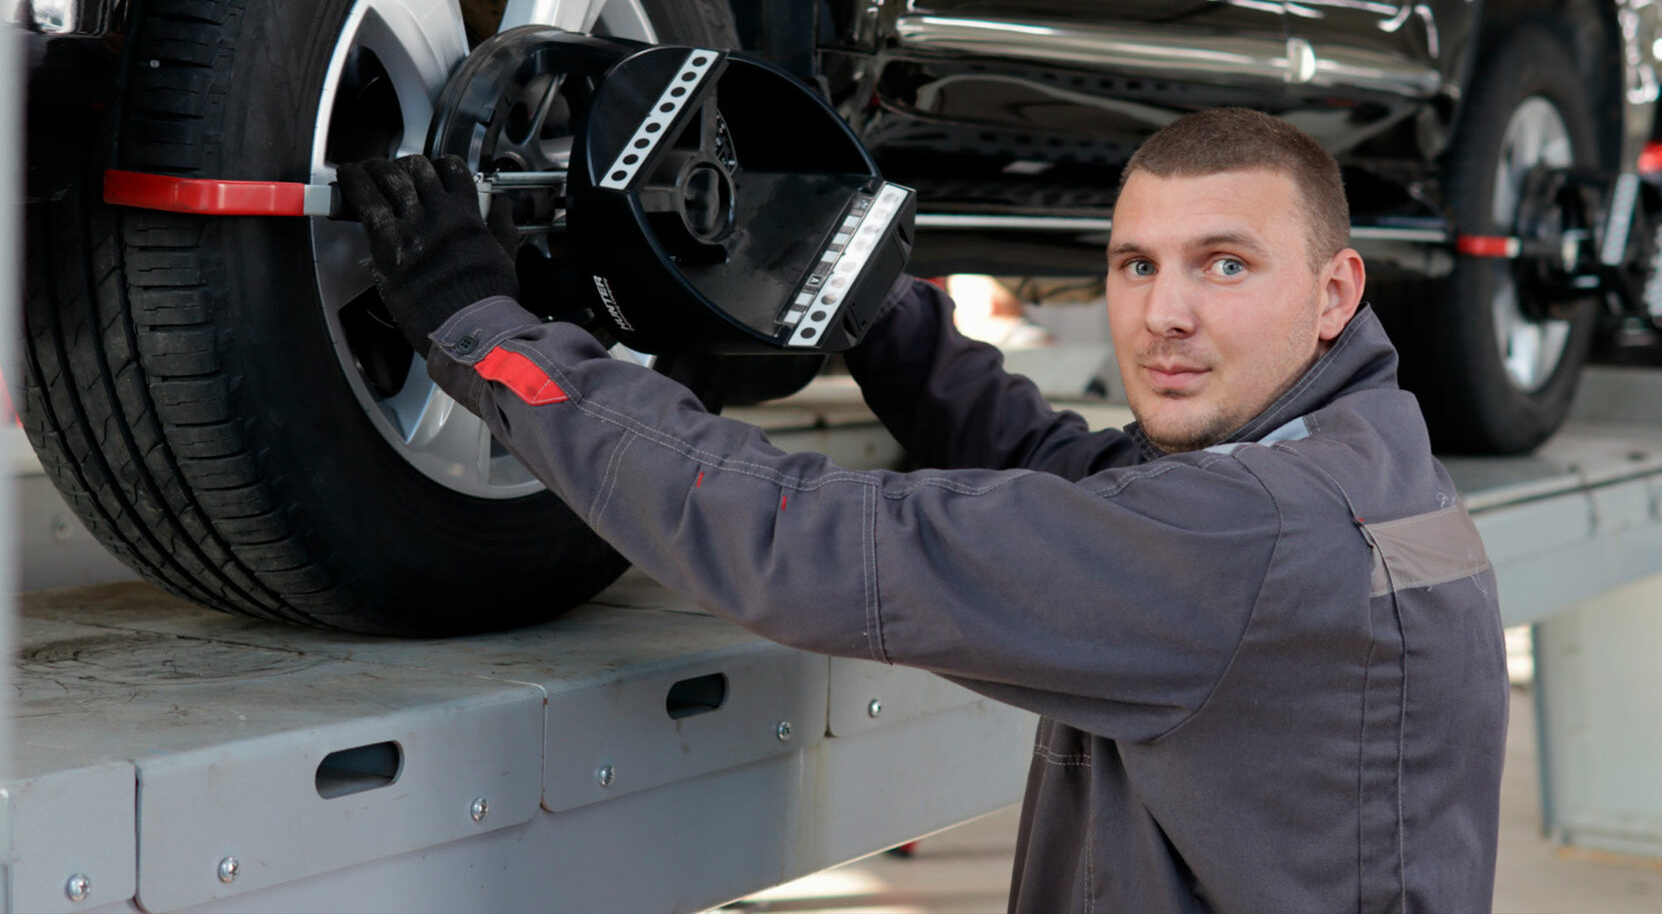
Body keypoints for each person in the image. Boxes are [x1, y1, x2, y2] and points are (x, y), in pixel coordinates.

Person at [339, 107, 1507, 913]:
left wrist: (486, 333)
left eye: (1226, 265)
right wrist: (883, 320)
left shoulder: (1250, 539)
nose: (1165, 315)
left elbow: (811, 543)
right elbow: (1079, 481)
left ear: (1333, 290)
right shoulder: (1360, 469)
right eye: (1135, 265)